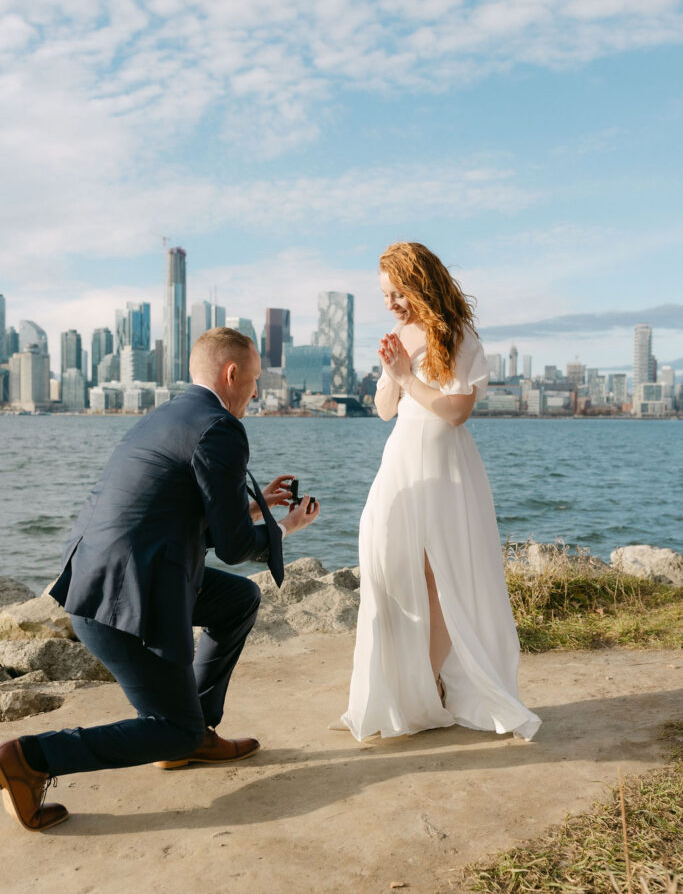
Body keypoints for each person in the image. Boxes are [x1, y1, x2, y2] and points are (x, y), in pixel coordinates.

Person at [0, 327, 319, 833]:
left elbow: (177, 511)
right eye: (254, 381)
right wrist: (286, 527)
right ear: (231, 373)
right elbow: (236, 547)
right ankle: (30, 758)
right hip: (126, 598)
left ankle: (199, 730)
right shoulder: (220, 427)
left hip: (102, 578)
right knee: (169, 732)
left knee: (238, 599)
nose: (256, 394)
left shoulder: (169, 416)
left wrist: (256, 505)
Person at [341, 242, 540, 742]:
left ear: (419, 283)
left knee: (443, 576)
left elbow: (455, 411)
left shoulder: (457, 335)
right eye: (384, 295)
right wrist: (393, 374)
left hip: (448, 464)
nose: (389, 304)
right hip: (402, 461)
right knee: (388, 567)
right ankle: (396, 685)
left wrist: (409, 377)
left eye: (396, 292)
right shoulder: (398, 334)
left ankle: (429, 685)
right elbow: (386, 409)